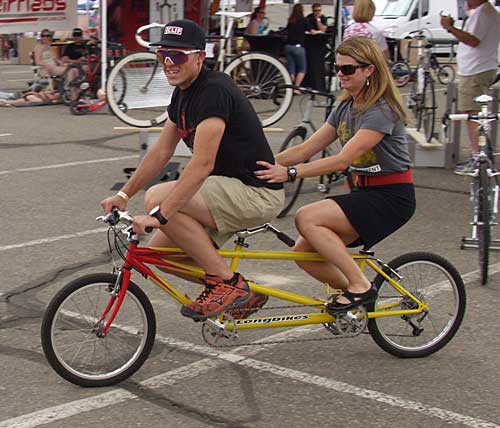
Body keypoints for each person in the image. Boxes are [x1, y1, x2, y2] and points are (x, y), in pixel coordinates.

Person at [100, 19, 284, 321]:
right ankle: (241, 294)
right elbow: (161, 152)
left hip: (255, 192)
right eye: (164, 55)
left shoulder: (213, 91)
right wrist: (123, 193)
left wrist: (160, 215)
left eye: (179, 56)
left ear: (200, 56)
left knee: (159, 196)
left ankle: (228, 284)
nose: (169, 63)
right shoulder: (183, 92)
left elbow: (201, 165)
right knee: (163, 258)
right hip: (224, 189)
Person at [255, 36, 415, 311]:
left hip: (391, 196)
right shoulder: (345, 107)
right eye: (337, 67)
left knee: (308, 217)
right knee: (304, 253)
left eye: (348, 69)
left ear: (369, 70)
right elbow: (305, 149)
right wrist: (256, 164)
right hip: (365, 192)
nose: (340, 74)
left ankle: (360, 286)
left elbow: (342, 161)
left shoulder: (381, 110)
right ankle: (361, 298)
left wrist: (289, 173)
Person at [440, 0, 500, 172]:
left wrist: (450, 28)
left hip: (476, 69)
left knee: (472, 114)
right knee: (474, 113)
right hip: (479, 67)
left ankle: (479, 157)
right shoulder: (485, 12)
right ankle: (480, 155)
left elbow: (473, 40)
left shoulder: (483, 13)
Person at [285, 3, 308, 94]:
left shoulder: (291, 20)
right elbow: (311, 30)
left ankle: (291, 86)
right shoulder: (303, 20)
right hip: (298, 47)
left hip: (288, 46)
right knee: (302, 68)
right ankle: (296, 87)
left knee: (291, 67)